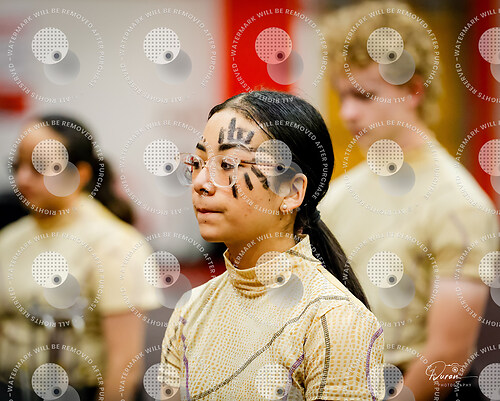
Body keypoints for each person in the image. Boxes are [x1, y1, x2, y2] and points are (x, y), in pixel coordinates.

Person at [320, 2, 499, 400]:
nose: (348, 113)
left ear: (413, 90)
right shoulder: (337, 195)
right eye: (341, 95)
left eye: (364, 95)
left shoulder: (459, 203)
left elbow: (448, 354)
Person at [158, 90, 384, 401]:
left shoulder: (335, 321)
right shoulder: (190, 310)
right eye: (197, 163)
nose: (200, 182)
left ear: (291, 191)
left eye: (228, 163)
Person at [0, 115, 158, 400]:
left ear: (80, 174)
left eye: (39, 167)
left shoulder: (114, 243)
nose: (22, 179)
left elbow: (124, 364)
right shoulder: (9, 239)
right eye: (16, 166)